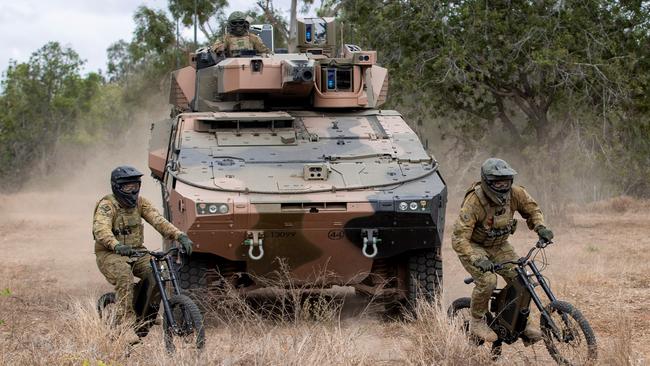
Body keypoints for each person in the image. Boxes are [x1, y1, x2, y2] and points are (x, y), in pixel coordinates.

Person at [451, 158, 554, 343]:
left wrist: (541, 227)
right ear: (487, 182)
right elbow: (459, 238)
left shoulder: (516, 194)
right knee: (488, 280)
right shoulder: (474, 202)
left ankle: (523, 323)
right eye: (498, 182)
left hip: (499, 245)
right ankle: (477, 321)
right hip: (475, 247)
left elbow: (533, 210)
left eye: (506, 181)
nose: (503, 186)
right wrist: (476, 258)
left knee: (522, 279)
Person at [93, 166, 194, 343]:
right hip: (110, 254)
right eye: (128, 187)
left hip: (137, 251)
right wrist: (116, 245)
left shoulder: (141, 203)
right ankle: (126, 323)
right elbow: (100, 230)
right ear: (117, 187)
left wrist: (179, 235)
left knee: (159, 271)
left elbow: (158, 220)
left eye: (135, 186)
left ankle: (148, 311)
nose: (133, 191)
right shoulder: (107, 206)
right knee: (124, 277)